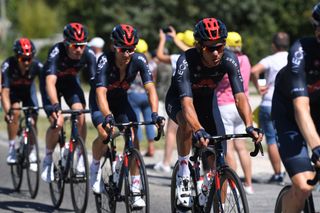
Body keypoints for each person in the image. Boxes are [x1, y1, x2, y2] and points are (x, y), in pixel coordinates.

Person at [165, 17, 263, 208]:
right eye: (210, 48)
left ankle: (218, 203)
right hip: (180, 101)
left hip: (208, 103)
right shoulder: (186, 60)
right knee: (186, 123)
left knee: (220, 162)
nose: (217, 52)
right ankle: (184, 172)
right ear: (199, 46)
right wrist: (198, 129)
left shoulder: (229, 59)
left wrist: (250, 125)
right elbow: (186, 103)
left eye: (220, 46)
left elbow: (240, 97)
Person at [89, 24, 165, 207]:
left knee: (132, 133)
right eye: (123, 49)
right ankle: (95, 166)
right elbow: (100, 93)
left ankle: (136, 187)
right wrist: (107, 116)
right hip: (101, 101)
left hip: (121, 100)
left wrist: (155, 113)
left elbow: (150, 89)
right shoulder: (104, 61)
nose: (127, 53)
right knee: (106, 134)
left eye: (131, 49)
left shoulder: (139, 60)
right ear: (114, 46)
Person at [271, 4, 320, 212]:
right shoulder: (301, 50)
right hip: (289, 115)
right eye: (318, 27)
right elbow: (301, 107)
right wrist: (317, 148)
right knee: (303, 186)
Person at [40, 22, 96, 183]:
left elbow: (95, 83)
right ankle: (48, 158)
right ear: (66, 43)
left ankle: (79, 155)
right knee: (57, 123)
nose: (79, 49)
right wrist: (56, 106)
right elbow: (50, 82)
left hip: (70, 83)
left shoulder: (89, 54)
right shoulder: (56, 51)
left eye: (82, 45)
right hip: (52, 85)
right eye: (74, 45)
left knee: (80, 114)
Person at [216, 32, 254, 194]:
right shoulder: (246, 59)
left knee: (228, 147)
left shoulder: (226, 61)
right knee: (242, 148)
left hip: (225, 104)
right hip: (242, 105)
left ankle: (233, 183)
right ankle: (248, 184)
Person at [153, 27, 194, 173]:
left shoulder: (178, 57)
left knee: (172, 131)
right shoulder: (200, 58)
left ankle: (166, 162)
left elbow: (158, 55)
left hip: (179, 96)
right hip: (193, 97)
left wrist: (164, 40)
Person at [251, 32, 289, 184]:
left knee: (272, 140)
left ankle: (278, 174)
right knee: (286, 138)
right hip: (287, 103)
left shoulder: (270, 59)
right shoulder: (293, 57)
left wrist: (259, 87)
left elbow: (254, 71)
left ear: (274, 45)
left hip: (269, 102)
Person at [1, 38, 42, 167]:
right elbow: (5, 93)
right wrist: (8, 112)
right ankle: (12, 147)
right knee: (15, 112)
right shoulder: (8, 65)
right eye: (22, 59)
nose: (26, 62)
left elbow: (47, 85)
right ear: (16, 57)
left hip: (29, 91)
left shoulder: (37, 65)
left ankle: (31, 149)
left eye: (29, 59)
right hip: (13, 92)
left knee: (33, 118)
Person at [128, 38, 158, 157]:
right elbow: (153, 80)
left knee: (136, 121)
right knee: (149, 121)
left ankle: (137, 147)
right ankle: (151, 147)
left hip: (133, 94)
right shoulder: (152, 64)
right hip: (147, 95)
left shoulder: (132, 62)